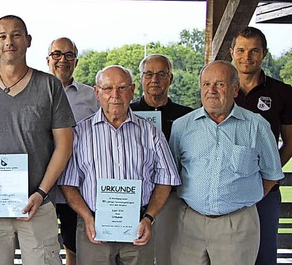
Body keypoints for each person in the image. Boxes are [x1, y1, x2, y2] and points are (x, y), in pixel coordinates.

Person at [0, 15, 74, 265]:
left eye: (16, 35)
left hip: (38, 206)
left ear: (28, 41)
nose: (9, 41)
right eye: (3, 36)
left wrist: (41, 192)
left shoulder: (50, 86)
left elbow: (64, 144)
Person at [58, 65, 180, 265]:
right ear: (97, 93)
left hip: (138, 229)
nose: (115, 95)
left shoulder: (150, 133)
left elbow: (166, 179)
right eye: (107, 89)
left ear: (132, 92)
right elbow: (68, 184)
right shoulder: (79, 133)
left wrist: (149, 218)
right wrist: (87, 218)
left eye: (122, 88)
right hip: (93, 228)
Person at [169, 60, 284, 265]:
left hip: (237, 224)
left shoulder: (256, 126)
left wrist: (241, 200)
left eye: (219, 84)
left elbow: (271, 174)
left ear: (235, 89)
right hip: (189, 225)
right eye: (206, 84)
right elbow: (173, 172)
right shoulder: (181, 127)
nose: (211, 90)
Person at [229, 26, 292, 265]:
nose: (247, 57)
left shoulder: (282, 92)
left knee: (264, 256)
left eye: (254, 50)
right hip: (228, 189)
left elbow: (290, 142)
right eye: (241, 50)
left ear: (264, 53)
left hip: (265, 191)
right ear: (232, 52)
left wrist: (269, 175)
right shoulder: (221, 90)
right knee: (228, 256)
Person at [130, 54, 192, 265]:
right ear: (141, 79)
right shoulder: (127, 112)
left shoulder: (186, 117)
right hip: (133, 199)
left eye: (161, 74)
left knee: (168, 255)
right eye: (149, 74)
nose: (154, 79)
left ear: (170, 79)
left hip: (172, 198)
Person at [46, 36, 99, 265]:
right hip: (42, 185)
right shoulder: (34, 91)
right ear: (48, 59)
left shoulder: (91, 96)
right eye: (57, 54)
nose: (63, 60)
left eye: (69, 55)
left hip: (76, 186)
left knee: (73, 246)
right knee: (43, 248)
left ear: (76, 62)